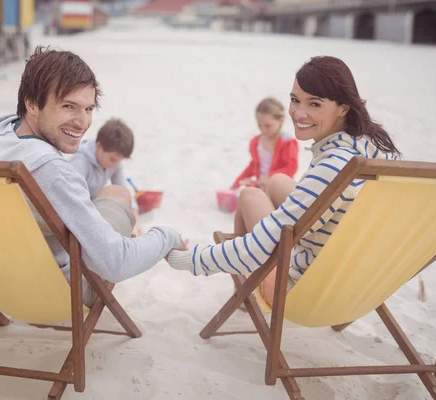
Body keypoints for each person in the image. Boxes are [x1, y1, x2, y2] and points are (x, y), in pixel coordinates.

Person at [167, 56, 400, 309]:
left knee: (249, 196)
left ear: (343, 108)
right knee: (278, 181)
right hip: (359, 282)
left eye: (315, 104)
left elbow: (255, 248)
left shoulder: (335, 165)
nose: (299, 113)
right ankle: (245, 291)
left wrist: (188, 259)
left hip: (308, 292)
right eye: (294, 100)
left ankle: (244, 293)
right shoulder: (374, 152)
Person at [0, 46, 184, 306]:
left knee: (105, 201)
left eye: (89, 109)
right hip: (59, 292)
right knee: (117, 194)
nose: (82, 123)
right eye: (69, 106)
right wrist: (167, 236)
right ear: (32, 104)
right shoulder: (52, 171)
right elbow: (115, 262)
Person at [69, 118, 141, 236]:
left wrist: (135, 218)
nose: (115, 164)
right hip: (80, 213)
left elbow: (122, 189)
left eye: (119, 161)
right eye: (112, 159)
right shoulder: (80, 163)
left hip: (94, 208)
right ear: (98, 147)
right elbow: (72, 201)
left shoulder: (113, 160)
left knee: (120, 195)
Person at [232, 97, 298, 191]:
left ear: (281, 120)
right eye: (259, 125)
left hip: (279, 188)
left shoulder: (287, 142)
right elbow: (253, 166)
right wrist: (237, 182)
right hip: (260, 186)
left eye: (267, 125)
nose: (262, 129)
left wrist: (270, 176)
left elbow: (290, 168)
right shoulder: (255, 142)